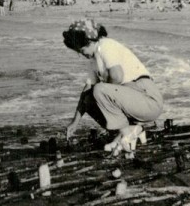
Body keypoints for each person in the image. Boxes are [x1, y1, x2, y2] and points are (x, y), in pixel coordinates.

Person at [63, 18, 163, 155]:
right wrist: (75, 122)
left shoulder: (105, 46)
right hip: (133, 101)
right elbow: (86, 91)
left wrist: (102, 95)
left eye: (82, 49)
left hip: (148, 100)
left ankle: (126, 132)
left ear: (90, 41)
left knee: (99, 90)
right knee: (89, 97)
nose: (81, 54)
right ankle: (129, 132)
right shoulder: (94, 59)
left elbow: (117, 76)